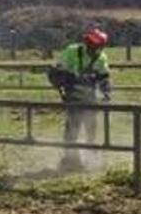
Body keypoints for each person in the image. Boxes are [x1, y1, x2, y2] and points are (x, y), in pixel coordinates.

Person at [48, 28, 112, 172]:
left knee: (91, 125)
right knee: (73, 125)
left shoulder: (101, 57)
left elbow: (104, 77)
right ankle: (70, 157)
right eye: (94, 47)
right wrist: (70, 79)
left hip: (89, 94)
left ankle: (90, 154)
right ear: (87, 44)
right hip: (72, 93)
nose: (97, 50)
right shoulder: (72, 51)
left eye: (99, 47)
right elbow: (60, 70)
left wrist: (106, 92)